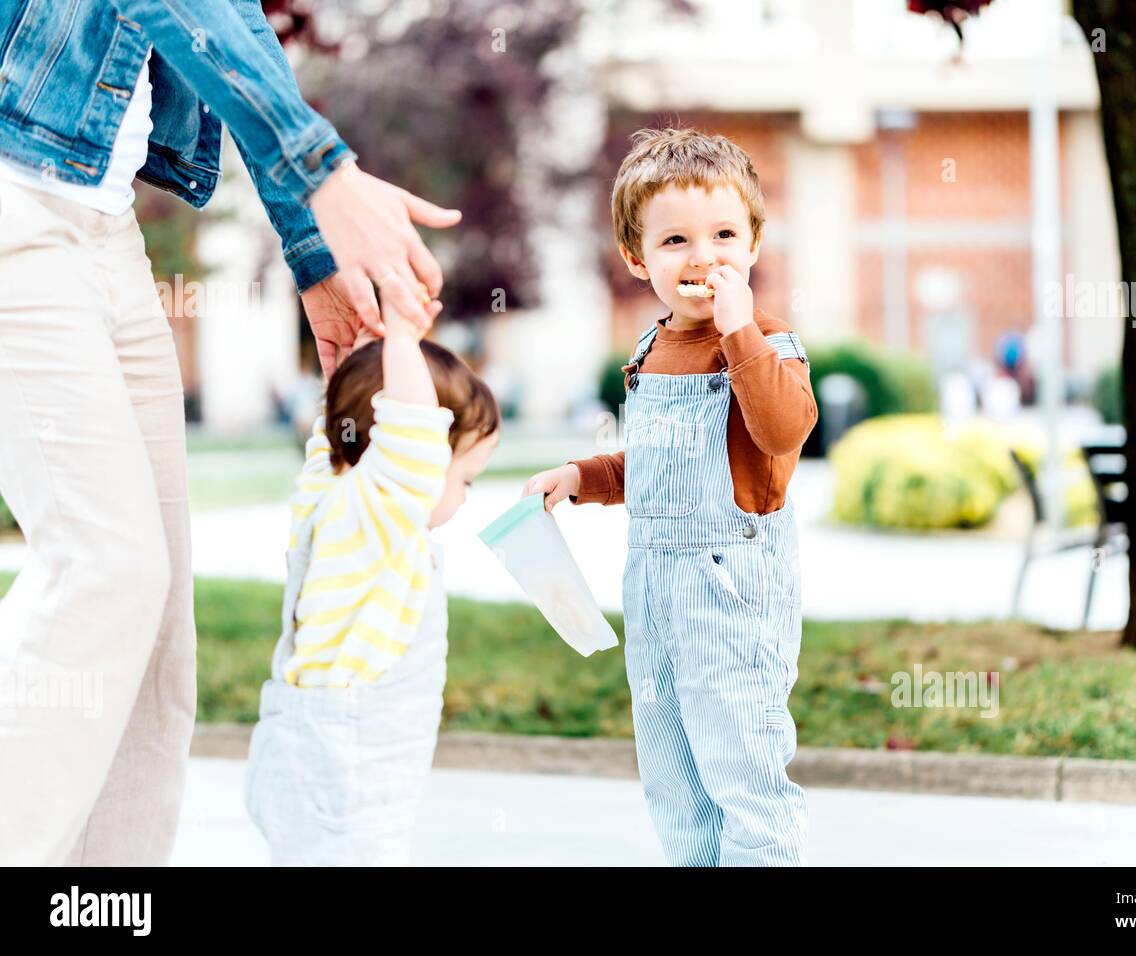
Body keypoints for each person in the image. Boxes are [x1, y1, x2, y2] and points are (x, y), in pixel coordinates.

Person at [0, 1, 458, 865]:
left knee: (155, 632)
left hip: (102, 227)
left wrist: (314, 255)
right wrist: (324, 174)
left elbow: (229, 17)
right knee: (106, 570)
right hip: (13, 200)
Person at [522, 128, 818, 866]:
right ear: (636, 258)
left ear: (753, 245)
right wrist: (582, 479)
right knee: (674, 778)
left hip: (732, 592)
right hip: (654, 590)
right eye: (675, 240)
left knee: (742, 772)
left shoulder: (766, 343)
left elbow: (782, 431)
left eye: (723, 234)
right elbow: (656, 462)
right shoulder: (650, 350)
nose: (703, 257)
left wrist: (738, 329)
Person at [245, 297, 499, 866]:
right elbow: (408, 440)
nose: (461, 498)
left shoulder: (330, 492)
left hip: (308, 755)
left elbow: (337, 427)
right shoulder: (379, 516)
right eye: (464, 479)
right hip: (348, 766)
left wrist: (366, 350)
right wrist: (402, 336)